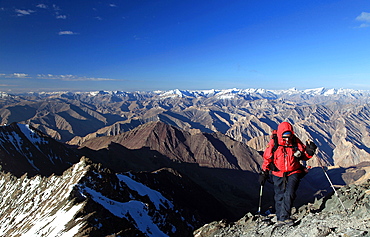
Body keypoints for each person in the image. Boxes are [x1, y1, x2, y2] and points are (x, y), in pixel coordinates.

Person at [259, 121, 317, 226]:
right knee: (279, 195)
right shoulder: (274, 142)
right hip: (278, 173)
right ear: (281, 134)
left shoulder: (295, 141)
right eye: (285, 136)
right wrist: (264, 172)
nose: (287, 138)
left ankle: (284, 217)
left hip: (294, 171)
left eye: (289, 135)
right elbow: (267, 158)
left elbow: (304, 155)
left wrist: (310, 151)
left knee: (289, 193)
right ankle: (279, 216)